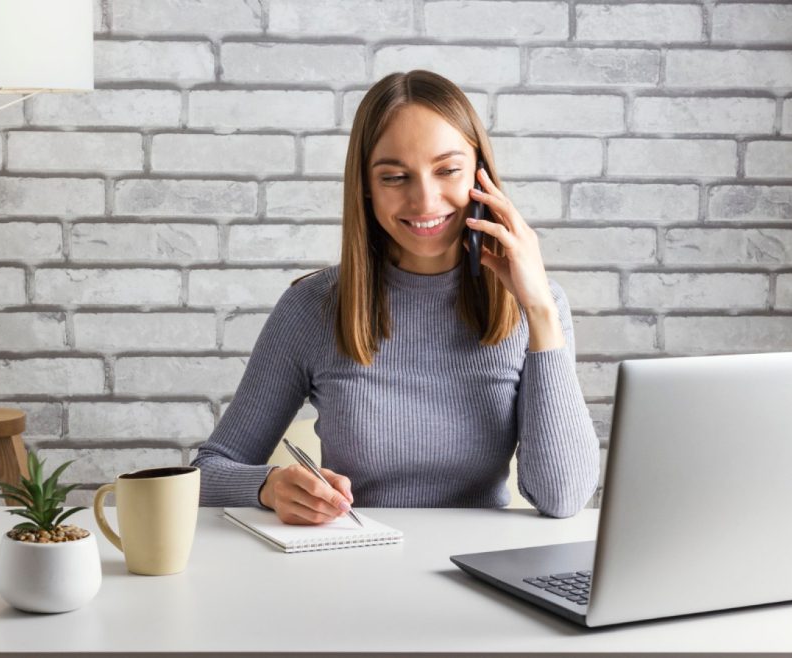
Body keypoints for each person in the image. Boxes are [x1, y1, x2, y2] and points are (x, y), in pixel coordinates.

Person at [192, 69, 599, 524]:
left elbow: (563, 498)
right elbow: (206, 474)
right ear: (365, 187)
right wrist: (268, 487)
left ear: (482, 177)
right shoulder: (313, 307)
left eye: (447, 170)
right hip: (356, 569)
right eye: (394, 177)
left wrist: (540, 309)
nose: (425, 201)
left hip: (480, 570)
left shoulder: (535, 305)